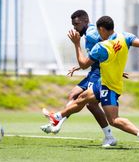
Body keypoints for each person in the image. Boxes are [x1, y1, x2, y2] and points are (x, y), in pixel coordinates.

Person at [42, 16, 139, 150]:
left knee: (114, 120)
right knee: (82, 99)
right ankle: (57, 117)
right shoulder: (125, 37)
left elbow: (84, 64)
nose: (98, 34)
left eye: (99, 31)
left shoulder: (101, 47)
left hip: (109, 87)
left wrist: (77, 44)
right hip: (103, 82)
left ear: (102, 29)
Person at [40, 10, 117, 147]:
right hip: (93, 71)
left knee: (90, 104)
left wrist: (115, 67)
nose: (75, 28)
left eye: (76, 24)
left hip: (99, 73)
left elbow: (110, 45)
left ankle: (109, 136)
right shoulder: (89, 33)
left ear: (85, 21)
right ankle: (57, 123)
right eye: (73, 25)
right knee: (73, 95)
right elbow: (95, 55)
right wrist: (79, 66)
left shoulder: (93, 33)